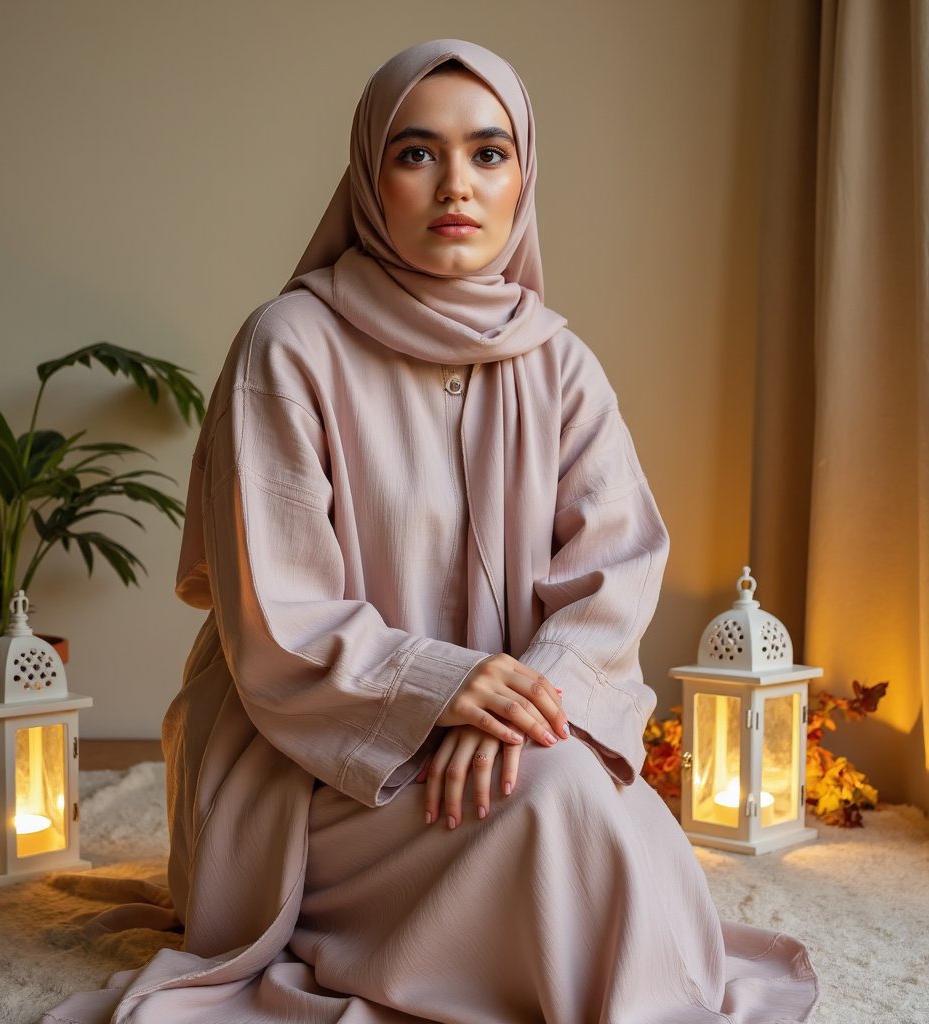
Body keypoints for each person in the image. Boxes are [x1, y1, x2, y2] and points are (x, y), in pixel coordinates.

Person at [43, 38, 819, 1024]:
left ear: (522, 178)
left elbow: (616, 570)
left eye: (489, 153)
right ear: (370, 179)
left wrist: (515, 711)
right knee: (561, 811)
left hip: (516, 737)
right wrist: (439, 690)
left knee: (607, 818)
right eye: (416, 153)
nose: (457, 184)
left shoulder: (558, 364)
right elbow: (279, 613)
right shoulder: (288, 346)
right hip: (314, 760)